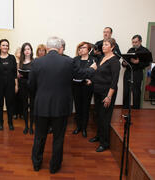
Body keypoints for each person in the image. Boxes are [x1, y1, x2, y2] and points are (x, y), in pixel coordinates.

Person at [30, 37, 96, 174]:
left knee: (39, 137)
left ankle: (36, 164)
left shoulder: (37, 62)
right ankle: (54, 167)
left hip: (41, 105)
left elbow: (31, 85)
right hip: (61, 107)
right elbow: (81, 74)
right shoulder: (68, 61)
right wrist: (92, 69)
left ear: (47, 48)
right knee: (58, 138)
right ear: (60, 48)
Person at [89, 38, 120, 152]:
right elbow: (96, 71)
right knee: (97, 115)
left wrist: (109, 96)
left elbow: (114, 81)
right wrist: (90, 79)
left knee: (104, 117)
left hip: (107, 93)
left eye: (106, 45)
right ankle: (99, 136)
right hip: (97, 91)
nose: (103, 46)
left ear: (112, 47)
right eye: (103, 45)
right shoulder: (101, 57)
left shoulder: (114, 61)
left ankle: (104, 143)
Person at [72, 42, 96, 138]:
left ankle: (84, 128)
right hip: (76, 86)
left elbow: (96, 73)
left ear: (88, 49)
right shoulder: (75, 60)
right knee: (78, 107)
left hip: (87, 87)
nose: (81, 49)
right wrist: (86, 73)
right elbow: (75, 73)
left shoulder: (93, 60)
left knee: (86, 108)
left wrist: (92, 80)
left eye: (83, 47)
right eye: (80, 48)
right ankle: (78, 127)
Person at [0, 39, 18, 131]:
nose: (5, 47)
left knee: (10, 105)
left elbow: (15, 73)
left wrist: (16, 85)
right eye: (3, 45)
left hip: (10, 85)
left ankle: (10, 123)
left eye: (7, 45)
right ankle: (1, 123)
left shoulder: (12, 58)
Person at [122, 35, 151, 109]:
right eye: (133, 42)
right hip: (128, 73)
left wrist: (137, 62)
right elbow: (125, 60)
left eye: (136, 42)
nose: (134, 44)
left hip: (137, 73)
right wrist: (124, 63)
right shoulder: (130, 50)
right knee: (126, 92)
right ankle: (125, 109)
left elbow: (147, 63)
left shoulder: (145, 51)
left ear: (140, 41)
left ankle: (136, 110)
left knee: (136, 92)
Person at [18, 43, 35, 134]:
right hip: (23, 85)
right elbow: (18, 74)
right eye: (25, 49)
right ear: (23, 52)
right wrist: (18, 74)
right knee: (24, 106)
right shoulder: (20, 62)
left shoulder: (34, 61)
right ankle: (26, 126)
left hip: (32, 86)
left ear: (31, 51)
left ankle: (32, 126)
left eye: (28, 49)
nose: (27, 51)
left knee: (32, 106)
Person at [13, 47, 23, 119]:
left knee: (21, 98)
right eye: (18, 52)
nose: (20, 53)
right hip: (14, 81)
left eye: (21, 52)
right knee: (14, 98)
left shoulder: (23, 62)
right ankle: (15, 113)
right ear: (16, 53)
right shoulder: (13, 62)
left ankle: (21, 113)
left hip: (22, 81)